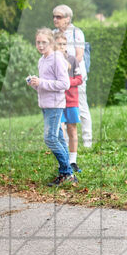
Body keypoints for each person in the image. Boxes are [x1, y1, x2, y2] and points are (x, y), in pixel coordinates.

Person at [27, 28, 76, 187]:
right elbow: (44, 85)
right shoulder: (42, 60)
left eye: (44, 42)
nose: (41, 45)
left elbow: (64, 84)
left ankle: (67, 172)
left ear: (51, 42)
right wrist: (35, 83)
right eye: (38, 42)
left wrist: (41, 82)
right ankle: (67, 173)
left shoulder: (57, 59)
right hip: (45, 105)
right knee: (59, 138)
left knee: (50, 138)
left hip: (55, 105)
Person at [52, 5, 92, 148]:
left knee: (82, 107)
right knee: (61, 110)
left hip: (75, 78)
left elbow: (79, 56)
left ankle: (87, 141)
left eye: (59, 17)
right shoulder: (52, 34)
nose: (55, 19)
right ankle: (66, 143)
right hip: (59, 80)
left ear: (68, 18)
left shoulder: (77, 33)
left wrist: (64, 68)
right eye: (54, 17)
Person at [55, 31, 84, 175]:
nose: (62, 47)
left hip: (71, 100)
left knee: (72, 129)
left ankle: (73, 161)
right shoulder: (52, 60)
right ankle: (64, 160)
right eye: (59, 44)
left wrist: (66, 82)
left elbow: (79, 79)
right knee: (59, 131)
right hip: (57, 101)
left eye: (64, 44)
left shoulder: (72, 60)